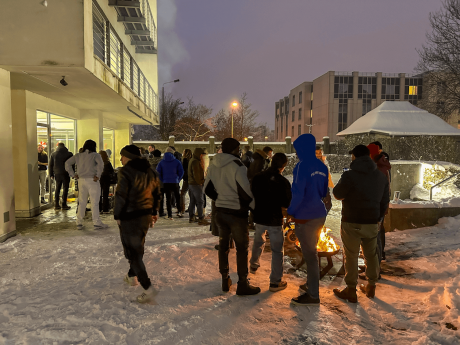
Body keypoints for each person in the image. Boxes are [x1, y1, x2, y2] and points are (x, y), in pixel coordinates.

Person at [332, 145, 389, 302]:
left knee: (351, 255)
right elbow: (385, 201)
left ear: (354, 157)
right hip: (371, 222)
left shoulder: (349, 176)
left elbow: (337, 193)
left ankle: (351, 289)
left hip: (352, 222)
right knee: (371, 255)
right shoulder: (380, 176)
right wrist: (377, 219)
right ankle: (371, 286)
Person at [204, 138, 260, 295]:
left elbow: (207, 189)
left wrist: (220, 198)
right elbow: (246, 191)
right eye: (239, 148)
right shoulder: (238, 166)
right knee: (241, 249)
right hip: (236, 213)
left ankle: (225, 279)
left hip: (220, 212)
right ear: (235, 149)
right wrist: (253, 206)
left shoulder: (213, 164)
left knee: (223, 247)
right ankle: (242, 284)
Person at [114, 144, 161, 304]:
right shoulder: (150, 171)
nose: (121, 159)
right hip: (145, 216)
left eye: (123, 156)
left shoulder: (125, 171)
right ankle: (132, 276)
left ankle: (147, 288)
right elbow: (156, 193)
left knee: (132, 252)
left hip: (129, 216)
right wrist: (154, 212)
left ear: (128, 157)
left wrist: (117, 215)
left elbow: (121, 195)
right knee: (137, 248)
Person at [287, 134, 329, 306]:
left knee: (310, 255)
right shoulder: (322, 166)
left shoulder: (301, 166)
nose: (296, 154)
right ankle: (311, 285)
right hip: (319, 213)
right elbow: (323, 192)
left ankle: (313, 294)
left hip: (305, 215)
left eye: (297, 150)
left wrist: (290, 211)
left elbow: (297, 192)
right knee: (312, 253)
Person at [249, 153, 292, 292]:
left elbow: (252, 195)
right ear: (283, 166)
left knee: (258, 239)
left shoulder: (258, 177)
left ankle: (253, 264)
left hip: (260, 216)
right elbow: (286, 202)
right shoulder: (283, 182)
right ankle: (275, 281)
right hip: (274, 219)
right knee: (277, 250)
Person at [65, 139, 107, 230]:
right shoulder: (96, 155)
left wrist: (73, 175)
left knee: (82, 202)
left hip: (81, 180)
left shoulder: (78, 156)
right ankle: (96, 222)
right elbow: (101, 165)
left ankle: (79, 222)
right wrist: (98, 175)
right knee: (94, 202)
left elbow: (67, 163)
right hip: (93, 180)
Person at [156, 147, 184, 219]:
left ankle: (169, 214)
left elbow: (158, 172)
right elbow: (181, 171)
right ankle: (179, 211)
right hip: (175, 181)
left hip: (166, 182)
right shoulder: (177, 161)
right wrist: (178, 178)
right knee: (177, 197)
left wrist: (163, 179)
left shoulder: (161, 162)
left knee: (168, 198)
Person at [188, 148, 209, 225]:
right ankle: (201, 218)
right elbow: (196, 174)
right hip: (196, 184)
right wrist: (201, 182)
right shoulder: (195, 162)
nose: (203, 156)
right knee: (200, 201)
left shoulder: (192, 160)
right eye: (202, 155)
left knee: (192, 201)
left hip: (191, 184)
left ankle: (191, 217)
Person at [49, 142, 73, 210]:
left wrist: (51, 174)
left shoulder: (54, 154)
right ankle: (64, 204)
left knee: (57, 188)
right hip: (66, 173)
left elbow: (51, 165)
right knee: (66, 189)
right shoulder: (69, 154)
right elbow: (72, 164)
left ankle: (56, 204)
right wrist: (72, 173)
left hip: (57, 173)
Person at [148, 150, 165, 217]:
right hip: (161, 181)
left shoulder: (149, 162)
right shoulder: (163, 162)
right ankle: (161, 211)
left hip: (151, 182)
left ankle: (152, 211)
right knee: (161, 197)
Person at [180, 149, 192, 214]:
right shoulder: (192, 160)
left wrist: (184, 178)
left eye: (183, 152)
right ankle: (191, 208)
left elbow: (184, 170)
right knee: (191, 194)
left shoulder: (185, 160)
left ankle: (182, 208)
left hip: (187, 179)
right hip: (192, 179)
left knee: (182, 193)